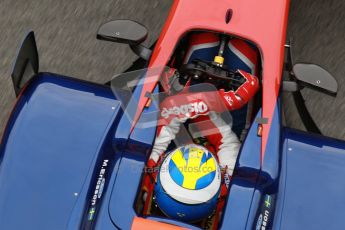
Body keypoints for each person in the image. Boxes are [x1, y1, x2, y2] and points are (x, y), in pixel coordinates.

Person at [141, 32, 260, 216]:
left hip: (179, 124)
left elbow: (169, 115)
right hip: (223, 136)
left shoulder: (146, 175)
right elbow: (228, 143)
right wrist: (217, 101)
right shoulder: (231, 196)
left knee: (203, 41)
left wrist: (201, 99)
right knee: (243, 50)